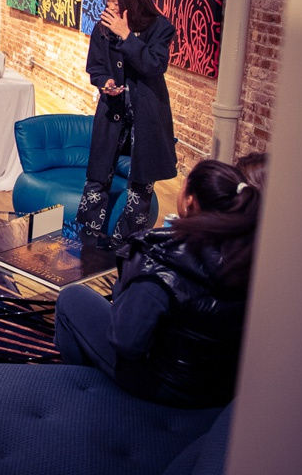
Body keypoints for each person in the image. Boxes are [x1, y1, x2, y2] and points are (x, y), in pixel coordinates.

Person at [55, 157, 263, 408]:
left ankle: (88, 396)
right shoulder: (253, 255)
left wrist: (126, 285)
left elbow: (126, 341)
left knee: (71, 297)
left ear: (190, 201)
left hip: (165, 385)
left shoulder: (164, 258)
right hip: (217, 388)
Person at [73, 0, 177, 245]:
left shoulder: (160, 28)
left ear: (133, 1)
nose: (109, 8)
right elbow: (95, 66)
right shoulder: (102, 27)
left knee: (141, 185)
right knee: (97, 176)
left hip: (148, 117)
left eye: (114, 3)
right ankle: (86, 239)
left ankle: (125, 246)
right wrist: (103, 82)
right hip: (112, 112)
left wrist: (127, 36)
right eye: (107, 2)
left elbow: (154, 66)